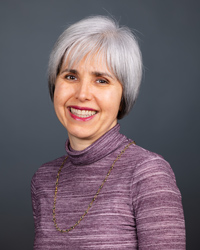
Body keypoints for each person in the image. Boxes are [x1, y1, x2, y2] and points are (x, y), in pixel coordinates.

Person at [31, 16, 185, 249]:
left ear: (123, 96)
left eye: (101, 80)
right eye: (70, 76)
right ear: (55, 85)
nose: (82, 94)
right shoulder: (43, 179)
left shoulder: (147, 173)